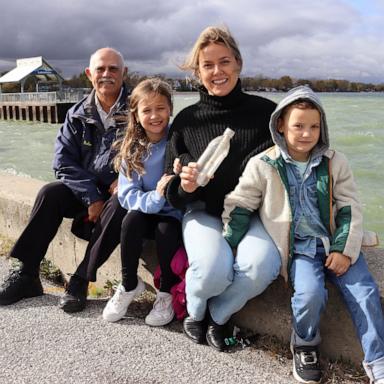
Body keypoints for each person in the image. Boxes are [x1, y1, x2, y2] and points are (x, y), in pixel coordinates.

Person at [222, 85, 384, 383]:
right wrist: (227, 245)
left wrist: (344, 250)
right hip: (301, 249)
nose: (307, 133)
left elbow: (350, 207)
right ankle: (305, 343)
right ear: (280, 125)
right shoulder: (263, 164)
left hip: (336, 241)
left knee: (365, 294)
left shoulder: (336, 161)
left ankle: (378, 360)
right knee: (309, 295)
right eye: (298, 125)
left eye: (314, 126)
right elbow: (240, 204)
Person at [164, 26, 280, 351]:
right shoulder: (186, 121)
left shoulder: (268, 114)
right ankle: (194, 311)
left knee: (261, 266)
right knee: (214, 271)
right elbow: (170, 191)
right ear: (197, 73)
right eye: (208, 65)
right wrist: (185, 185)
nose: (218, 71)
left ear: (239, 64)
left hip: (252, 212)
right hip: (203, 211)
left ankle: (218, 314)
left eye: (225, 62)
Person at [0, 47, 129, 313]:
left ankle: (80, 280)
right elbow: (62, 162)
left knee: (120, 202)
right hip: (88, 191)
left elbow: (154, 148)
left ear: (123, 73)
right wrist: (91, 195)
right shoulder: (77, 113)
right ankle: (27, 274)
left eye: (113, 68)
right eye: (100, 69)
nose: (106, 74)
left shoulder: (139, 109)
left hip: (122, 192)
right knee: (50, 193)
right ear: (89, 74)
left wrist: (128, 178)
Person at [102, 78, 183, 327]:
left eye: (160, 108)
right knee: (131, 219)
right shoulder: (133, 147)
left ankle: (166, 292)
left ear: (170, 109)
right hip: (147, 209)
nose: (155, 116)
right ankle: (128, 284)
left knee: (165, 229)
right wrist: (155, 198)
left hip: (172, 215)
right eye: (147, 110)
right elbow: (127, 194)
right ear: (136, 114)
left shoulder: (178, 141)